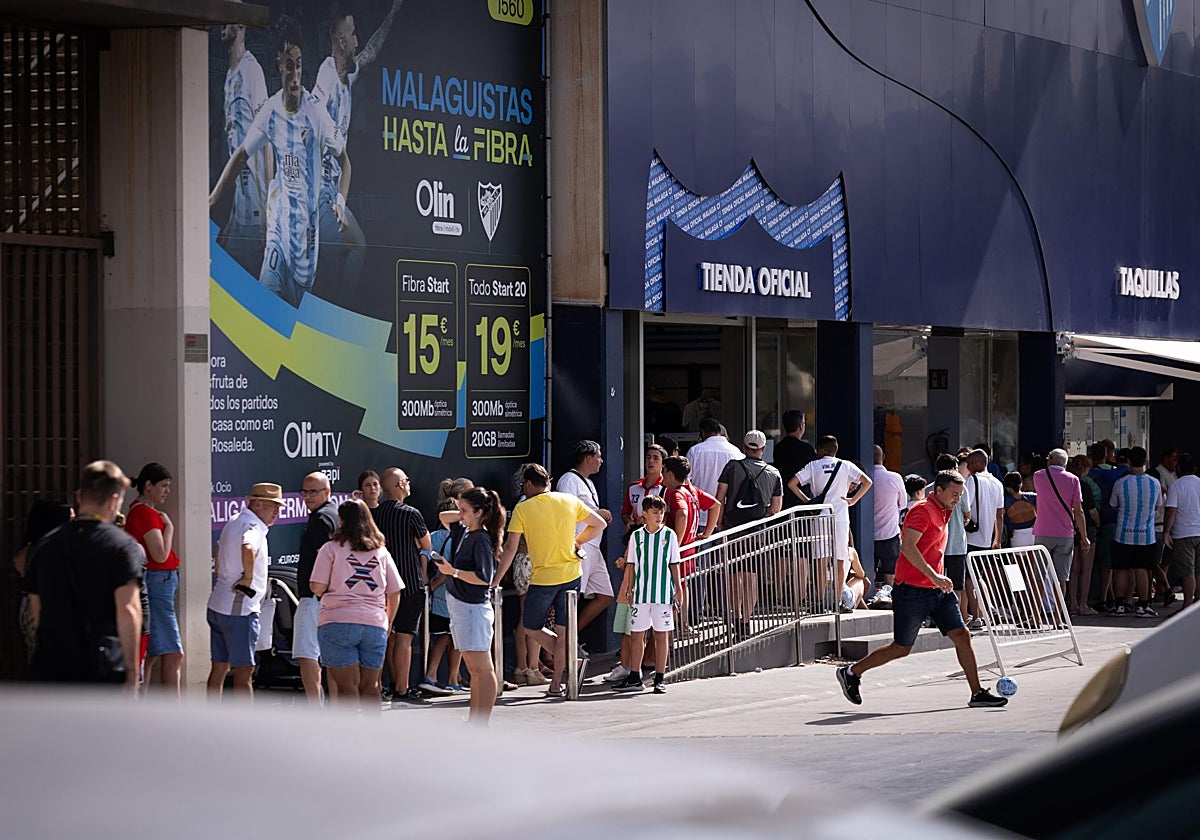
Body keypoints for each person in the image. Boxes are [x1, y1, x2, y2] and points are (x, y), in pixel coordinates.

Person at [835, 470, 1008, 709]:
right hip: (912, 591)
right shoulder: (922, 511)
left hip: (937, 591)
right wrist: (934, 575)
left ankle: (977, 693)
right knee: (901, 648)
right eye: (954, 494)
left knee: (962, 635)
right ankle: (851, 672)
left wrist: (938, 578)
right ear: (938, 490)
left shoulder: (944, 510)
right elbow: (908, 547)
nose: (958, 499)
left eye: (960, 495)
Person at [209, 16, 350, 306]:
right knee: (265, 303)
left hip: (305, 248)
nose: (295, 75)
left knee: (290, 318)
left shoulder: (316, 113)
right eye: (289, 66)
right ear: (279, 65)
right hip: (277, 233)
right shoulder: (271, 111)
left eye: (298, 65)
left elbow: (346, 162)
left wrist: (340, 201)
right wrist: (212, 199)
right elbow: (241, 154)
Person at [22, 461, 143, 690]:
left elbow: (36, 606)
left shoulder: (46, 544)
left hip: (51, 666)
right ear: (113, 501)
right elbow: (128, 609)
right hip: (101, 667)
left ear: (79, 497)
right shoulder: (122, 546)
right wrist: (132, 672)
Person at [312, 1, 402, 296]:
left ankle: (331, 304)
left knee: (339, 258)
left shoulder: (347, 77)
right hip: (319, 195)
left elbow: (371, 52)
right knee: (358, 245)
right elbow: (312, 113)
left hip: (331, 192)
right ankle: (344, 307)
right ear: (341, 42)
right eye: (353, 35)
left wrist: (393, 13)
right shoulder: (327, 75)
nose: (357, 41)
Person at [495, 463, 605, 698]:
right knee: (563, 631)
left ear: (528, 484)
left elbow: (511, 548)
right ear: (549, 482)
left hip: (544, 577)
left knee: (531, 627)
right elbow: (600, 524)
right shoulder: (569, 500)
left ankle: (569, 664)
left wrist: (495, 580)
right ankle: (558, 681)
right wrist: (578, 542)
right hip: (572, 573)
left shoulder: (523, 508)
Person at [310, 498, 402, 712]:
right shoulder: (381, 552)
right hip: (374, 624)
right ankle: (371, 732)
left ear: (341, 520)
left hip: (337, 621)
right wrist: (387, 622)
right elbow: (395, 591)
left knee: (346, 688)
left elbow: (317, 587)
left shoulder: (330, 549)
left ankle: (348, 733)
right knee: (372, 686)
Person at [433, 487, 504, 724]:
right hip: (461, 607)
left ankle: (481, 722)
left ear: (479, 512)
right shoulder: (464, 530)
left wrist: (452, 571)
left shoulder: (481, 538)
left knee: (482, 668)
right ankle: (475, 721)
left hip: (472, 608)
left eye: (464, 510)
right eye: (460, 509)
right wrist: (465, 513)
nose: (459, 514)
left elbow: (484, 577)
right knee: (475, 670)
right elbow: (444, 516)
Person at [206, 482, 284, 698]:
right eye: (273, 506)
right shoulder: (253, 526)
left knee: (219, 668)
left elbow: (218, 547)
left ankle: (209, 716)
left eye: (279, 507)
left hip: (219, 604)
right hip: (239, 610)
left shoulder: (234, 520)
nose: (277, 511)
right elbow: (247, 547)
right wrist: (247, 579)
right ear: (257, 504)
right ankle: (244, 720)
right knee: (244, 671)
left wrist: (223, 573)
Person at [373, 466, 432, 706]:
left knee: (384, 636)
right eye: (406, 480)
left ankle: (378, 686)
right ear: (399, 485)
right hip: (409, 583)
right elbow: (426, 544)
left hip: (381, 585)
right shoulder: (411, 514)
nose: (409, 484)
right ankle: (401, 689)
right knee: (405, 639)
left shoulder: (374, 515)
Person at [216, 17, 270, 276]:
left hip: (256, 213)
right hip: (240, 211)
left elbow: (268, 139)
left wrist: (269, 210)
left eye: (228, 20)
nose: (222, 26)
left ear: (242, 27)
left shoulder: (252, 70)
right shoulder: (229, 77)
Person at [124, 463, 184, 696]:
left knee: (150, 653)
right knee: (173, 653)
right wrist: (169, 528)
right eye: (164, 486)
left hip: (158, 582)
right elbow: (159, 555)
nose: (167, 491)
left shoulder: (143, 511)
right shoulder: (145, 513)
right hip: (157, 582)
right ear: (148, 486)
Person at [613, 495, 683, 694]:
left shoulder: (669, 535)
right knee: (637, 634)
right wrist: (629, 588)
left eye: (661, 512)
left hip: (662, 593)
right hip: (641, 593)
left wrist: (678, 589)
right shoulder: (637, 536)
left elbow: (674, 564)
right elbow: (631, 564)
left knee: (661, 635)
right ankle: (635, 676)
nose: (659, 516)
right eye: (655, 512)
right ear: (644, 514)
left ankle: (660, 678)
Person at [717, 431, 784, 636]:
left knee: (734, 574)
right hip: (757, 533)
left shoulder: (732, 467)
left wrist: (719, 524)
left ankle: (736, 615)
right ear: (763, 449)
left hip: (733, 529)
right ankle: (746, 620)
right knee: (752, 575)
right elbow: (776, 508)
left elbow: (719, 498)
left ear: (744, 447)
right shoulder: (774, 473)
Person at [790, 435, 872, 601]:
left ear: (821, 450)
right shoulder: (846, 465)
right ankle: (838, 600)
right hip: (840, 516)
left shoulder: (813, 466)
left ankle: (820, 600)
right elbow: (867, 481)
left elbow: (792, 483)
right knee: (840, 558)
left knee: (821, 559)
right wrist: (853, 500)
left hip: (820, 516)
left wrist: (808, 501)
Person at [555, 441, 614, 636]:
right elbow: (565, 511)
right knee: (573, 596)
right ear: (588, 458)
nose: (601, 461)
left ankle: (571, 638)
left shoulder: (589, 482)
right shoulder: (568, 480)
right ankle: (562, 643)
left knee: (605, 595)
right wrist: (598, 513)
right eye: (598, 456)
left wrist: (599, 515)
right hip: (579, 545)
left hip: (593, 546)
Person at [11, 501, 73, 667]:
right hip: (42, 608)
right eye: (71, 519)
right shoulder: (49, 549)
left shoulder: (33, 548)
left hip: (32, 607)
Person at [295, 471, 337, 703]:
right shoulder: (333, 515)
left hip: (315, 598)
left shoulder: (322, 519)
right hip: (327, 598)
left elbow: (326, 558)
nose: (307, 497)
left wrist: (320, 591)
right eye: (304, 492)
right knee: (329, 657)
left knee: (307, 654)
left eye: (313, 492)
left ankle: (316, 709)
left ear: (327, 492)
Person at [1108, 447, 1162, 617]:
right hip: (1146, 534)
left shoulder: (1120, 483)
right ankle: (1143, 606)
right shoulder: (1154, 483)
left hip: (1123, 533)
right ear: (1145, 462)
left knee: (1121, 569)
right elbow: (1157, 505)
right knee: (1142, 569)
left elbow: (1113, 505)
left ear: (1129, 461)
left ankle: (1119, 605)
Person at [1033, 450, 1091, 606]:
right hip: (1065, 533)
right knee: (1061, 578)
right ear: (1065, 463)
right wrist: (1084, 537)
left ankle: (1036, 614)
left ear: (1050, 459)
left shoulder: (1038, 476)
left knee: (1039, 576)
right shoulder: (1073, 480)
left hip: (1043, 531)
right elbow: (1078, 511)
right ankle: (1058, 615)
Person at [419, 498, 462, 696]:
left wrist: (427, 579)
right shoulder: (460, 538)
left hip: (437, 596)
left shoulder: (433, 536)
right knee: (452, 637)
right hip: (455, 592)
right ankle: (448, 678)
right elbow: (452, 568)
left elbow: (424, 555)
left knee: (443, 636)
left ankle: (438, 676)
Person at [963, 448, 1004, 623]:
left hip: (971, 536)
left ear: (977, 463)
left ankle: (977, 616)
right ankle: (987, 610)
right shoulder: (997, 483)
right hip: (987, 538)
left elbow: (966, 507)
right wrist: (997, 539)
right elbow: (1000, 514)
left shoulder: (972, 481)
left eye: (970, 464)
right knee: (978, 576)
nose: (968, 467)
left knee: (969, 578)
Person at [686, 417, 743, 528]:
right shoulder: (736, 452)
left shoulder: (695, 451)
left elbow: (686, 480)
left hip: (700, 514)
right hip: (727, 515)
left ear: (702, 432)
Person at [1164, 452, 1200, 610]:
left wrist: (1166, 532)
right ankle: (1197, 604)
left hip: (1183, 533)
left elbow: (1171, 510)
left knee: (1187, 572)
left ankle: (1187, 606)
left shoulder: (1176, 485)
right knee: (1199, 571)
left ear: (1178, 468)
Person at [1067, 455, 1101, 615]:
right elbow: (1092, 511)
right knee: (1086, 569)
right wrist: (1099, 524)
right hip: (1088, 528)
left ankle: (1072, 603)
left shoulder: (1067, 483)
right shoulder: (1084, 486)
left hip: (1071, 528)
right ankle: (1083, 604)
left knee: (1074, 569)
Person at [871, 444, 906, 589]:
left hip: (868, 535)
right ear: (883, 457)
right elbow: (903, 504)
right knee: (890, 570)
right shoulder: (894, 478)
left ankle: (867, 595)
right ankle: (890, 596)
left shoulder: (863, 478)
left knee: (868, 569)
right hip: (890, 532)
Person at [773, 410, 817, 508]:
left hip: (783, 499)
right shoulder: (807, 449)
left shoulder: (779, 448)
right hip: (802, 499)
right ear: (801, 426)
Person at [1003, 472, 1037, 548]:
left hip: (1017, 536)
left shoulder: (1005, 502)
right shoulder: (1034, 497)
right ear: (1021, 484)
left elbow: (999, 517)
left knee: (1018, 556)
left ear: (1007, 487)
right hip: (1034, 534)